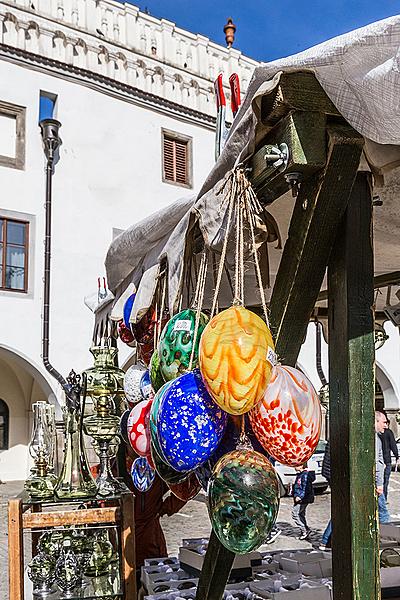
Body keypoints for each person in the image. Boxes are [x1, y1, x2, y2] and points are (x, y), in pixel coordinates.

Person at [291, 462, 315, 540]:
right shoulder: (301, 474)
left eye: (296, 465)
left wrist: (300, 497)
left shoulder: (304, 475)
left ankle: (304, 530)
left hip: (302, 499)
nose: (294, 467)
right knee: (301, 514)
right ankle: (305, 529)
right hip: (302, 498)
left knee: (295, 514)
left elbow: (305, 487)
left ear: (301, 466)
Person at [379, 412, 399, 500]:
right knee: (385, 481)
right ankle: (384, 498)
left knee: (378, 480)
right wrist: (397, 456)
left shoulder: (377, 433)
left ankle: (380, 498)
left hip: (379, 460)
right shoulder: (389, 432)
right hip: (387, 460)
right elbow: (393, 445)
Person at [375, 411, 391, 523]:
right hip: (376, 484)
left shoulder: (376, 437)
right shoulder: (375, 439)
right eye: (383, 422)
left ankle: (326, 539)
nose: (385, 425)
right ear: (376, 421)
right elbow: (376, 463)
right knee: (384, 514)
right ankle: (388, 538)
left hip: (374, 483)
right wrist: (379, 484)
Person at [319, 441, 332, 551]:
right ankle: (325, 540)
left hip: (330, 473)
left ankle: (327, 540)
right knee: (341, 511)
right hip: (334, 474)